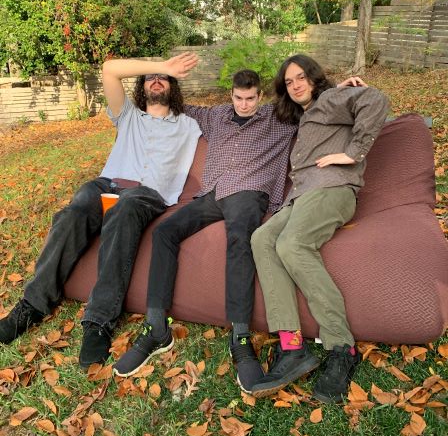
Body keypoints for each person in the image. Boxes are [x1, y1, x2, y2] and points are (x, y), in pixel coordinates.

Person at [0, 52, 202, 369]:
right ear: (142, 86)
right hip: (106, 184)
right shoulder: (128, 115)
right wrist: (162, 66)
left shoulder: (189, 124)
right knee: (74, 211)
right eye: (150, 77)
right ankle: (31, 305)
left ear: (173, 87)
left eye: (163, 78)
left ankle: (98, 321)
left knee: (125, 208)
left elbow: (241, 113)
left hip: (146, 194)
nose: (156, 80)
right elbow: (110, 69)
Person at [112, 69, 300, 390]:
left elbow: (311, 102)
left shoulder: (277, 118)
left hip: (249, 192)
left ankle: (240, 337)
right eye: (238, 98)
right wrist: (161, 79)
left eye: (250, 98)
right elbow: (177, 106)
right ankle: (157, 328)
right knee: (164, 232)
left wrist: (343, 88)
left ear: (260, 96)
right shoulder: (216, 116)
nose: (244, 104)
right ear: (231, 95)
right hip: (212, 194)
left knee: (239, 239)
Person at [249, 54, 389, 403]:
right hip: (301, 197)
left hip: (331, 190)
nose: (295, 85)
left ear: (314, 77)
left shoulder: (329, 100)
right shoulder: (310, 111)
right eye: (289, 82)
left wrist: (353, 153)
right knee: (262, 238)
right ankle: (292, 346)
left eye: (301, 77)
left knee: (292, 244)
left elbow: (375, 100)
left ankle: (342, 347)